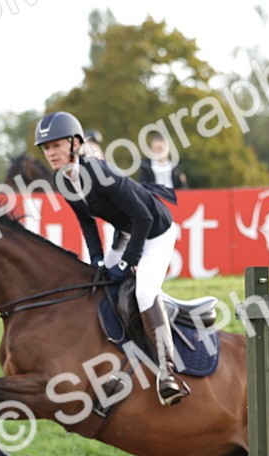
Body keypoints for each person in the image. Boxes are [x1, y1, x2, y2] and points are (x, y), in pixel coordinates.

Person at [35, 111, 189, 406]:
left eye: (56, 145)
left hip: (156, 231)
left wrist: (126, 263)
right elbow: (87, 223)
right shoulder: (62, 180)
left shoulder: (98, 171)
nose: (50, 153)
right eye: (46, 148)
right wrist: (96, 259)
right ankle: (117, 362)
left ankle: (168, 372)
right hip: (127, 233)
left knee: (144, 292)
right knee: (100, 285)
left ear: (75, 143)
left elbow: (143, 217)